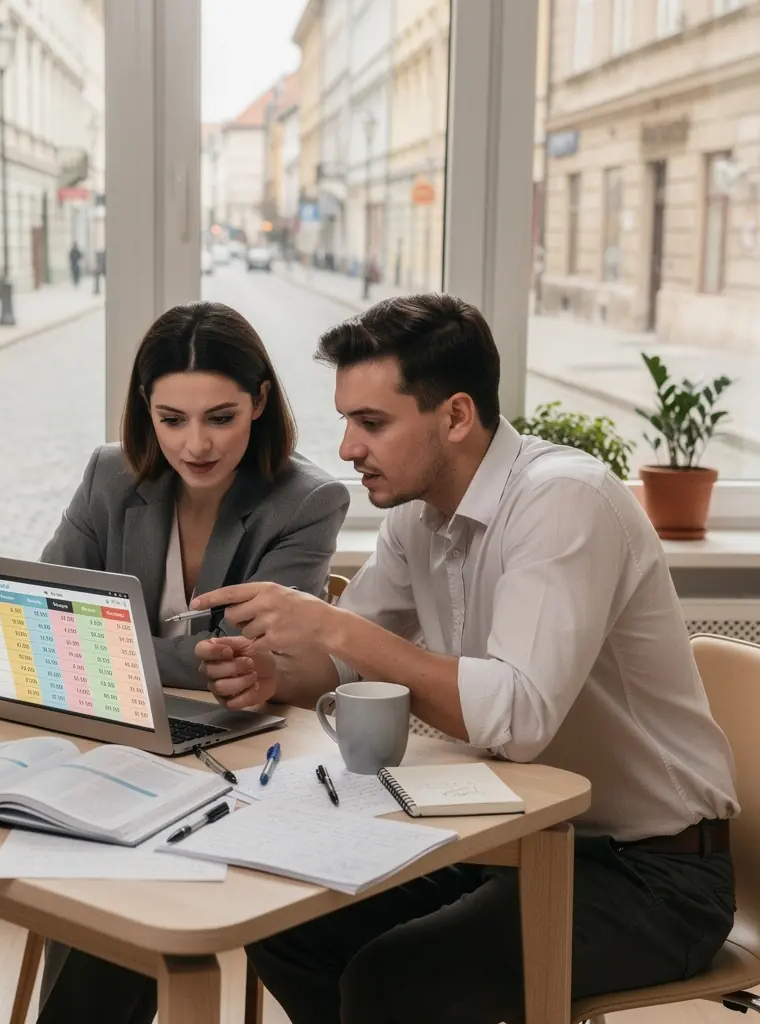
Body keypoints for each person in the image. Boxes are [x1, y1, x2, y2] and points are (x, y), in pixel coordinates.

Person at [193, 293, 739, 1024]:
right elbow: (347, 667)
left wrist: (332, 629)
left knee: (397, 983)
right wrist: (276, 675)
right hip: (516, 838)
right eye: (347, 420)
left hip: (654, 875)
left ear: (454, 416)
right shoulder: (419, 518)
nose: (349, 447)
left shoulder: (563, 501)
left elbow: (515, 718)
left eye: (372, 422)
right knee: (290, 931)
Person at [36, 300, 350, 1024]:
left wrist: (109, 642)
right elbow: (53, 614)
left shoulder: (307, 501)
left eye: (221, 416)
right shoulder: (109, 477)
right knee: (96, 868)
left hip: (240, 763)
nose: (196, 444)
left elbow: (260, 657)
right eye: (171, 418)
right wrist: (180, 655)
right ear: (145, 409)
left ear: (261, 402)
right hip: (112, 748)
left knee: (118, 877)